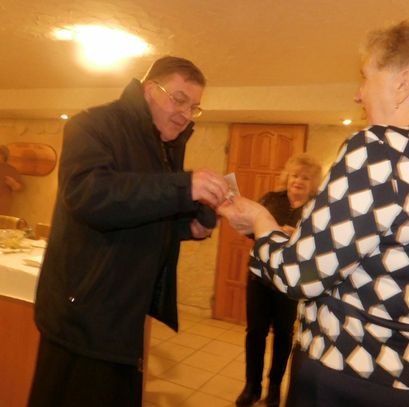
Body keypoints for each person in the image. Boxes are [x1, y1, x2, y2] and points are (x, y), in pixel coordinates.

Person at [219, 22, 409, 407]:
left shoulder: (380, 149)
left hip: (357, 381)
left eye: (366, 77)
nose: (358, 94)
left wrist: (260, 222)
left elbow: (300, 275)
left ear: (403, 83)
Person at [28, 56, 230, 407]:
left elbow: (139, 213)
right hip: (83, 316)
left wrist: (186, 227)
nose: (186, 114)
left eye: (194, 107)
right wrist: (184, 186)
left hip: (124, 313)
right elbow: (91, 196)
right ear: (150, 89)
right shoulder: (92, 125)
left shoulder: (161, 145)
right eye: (179, 99)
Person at [236, 153, 322, 407]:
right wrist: (265, 231)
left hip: (290, 282)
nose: (298, 181)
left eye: (305, 178)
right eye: (295, 175)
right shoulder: (271, 200)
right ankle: (252, 387)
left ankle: (274, 389)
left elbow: (320, 246)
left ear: (313, 183)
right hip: (260, 277)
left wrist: (297, 237)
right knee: (255, 332)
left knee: (283, 335)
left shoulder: (318, 209)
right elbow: (251, 230)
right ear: (287, 177)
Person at [0, 145, 24, 215]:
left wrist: (13, 183)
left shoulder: (10, 170)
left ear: (4, 156)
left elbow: (20, 188)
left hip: (2, 203)